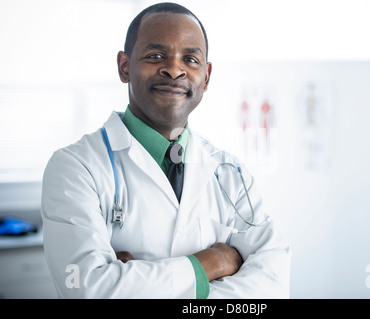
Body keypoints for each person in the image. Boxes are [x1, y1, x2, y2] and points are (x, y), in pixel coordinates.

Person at [41, 2, 291, 299]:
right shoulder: (75, 167)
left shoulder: (230, 173)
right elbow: (86, 289)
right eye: (156, 55)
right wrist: (210, 264)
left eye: (190, 59)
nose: (174, 69)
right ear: (125, 67)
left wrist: (142, 283)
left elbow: (273, 284)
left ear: (206, 76)